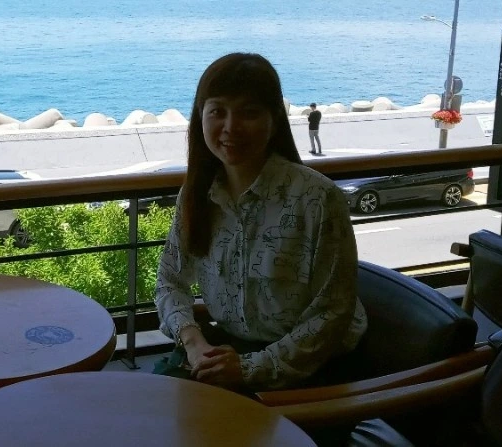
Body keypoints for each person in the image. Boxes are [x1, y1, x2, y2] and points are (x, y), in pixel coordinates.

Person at [154, 53, 367, 395]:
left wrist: (249, 368)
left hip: (310, 371)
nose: (231, 127)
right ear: (200, 117)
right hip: (227, 350)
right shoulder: (198, 195)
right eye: (217, 111)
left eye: (249, 112)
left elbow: (330, 315)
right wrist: (194, 343)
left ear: (274, 120)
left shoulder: (316, 199)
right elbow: (170, 280)